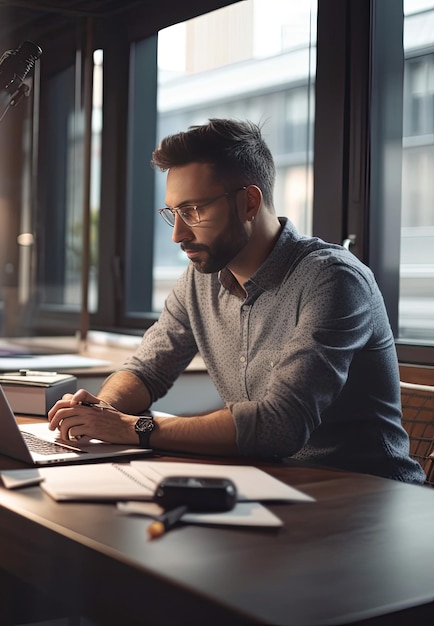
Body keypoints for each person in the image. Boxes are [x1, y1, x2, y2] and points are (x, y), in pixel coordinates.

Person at [48, 118, 425, 483]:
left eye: (193, 211)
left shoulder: (333, 279)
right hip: (276, 485)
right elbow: (146, 371)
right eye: (173, 213)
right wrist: (102, 409)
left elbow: (280, 425)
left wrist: (137, 429)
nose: (178, 234)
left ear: (249, 203)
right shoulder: (199, 281)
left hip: (368, 497)